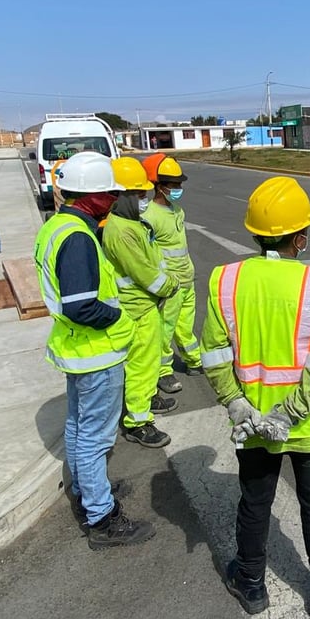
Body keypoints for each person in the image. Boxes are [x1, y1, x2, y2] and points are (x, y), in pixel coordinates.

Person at [200, 176, 310, 618]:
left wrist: (237, 404)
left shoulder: (226, 281)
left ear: (255, 234)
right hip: (309, 425)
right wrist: (291, 413)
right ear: (300, 238)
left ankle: (251, 584)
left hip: (253, 422)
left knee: (255, 501)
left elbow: (214, 356)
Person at [33, 152, 155, 549]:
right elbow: (81, 306)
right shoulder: (79, 238)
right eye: (110, 194)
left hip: (78, 349)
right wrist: (119, 319)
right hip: (96, 352)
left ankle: (88, 490)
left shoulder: (58, 226)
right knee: (95, 437)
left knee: (78, 426)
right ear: (91, 196)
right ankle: (102, 517)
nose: (114, 200)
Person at [102, 157, 181, 448]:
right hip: (136, 307)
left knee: (149, 362)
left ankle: (147, 399)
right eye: (138, 194)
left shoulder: (133, 224)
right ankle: (138, 422)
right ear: (120, 196)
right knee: (141, 365)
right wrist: (170, 286)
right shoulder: (121, 231)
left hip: (147, 305)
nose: (143, 199)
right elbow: (145, 273)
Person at [141, 154, 202, 394]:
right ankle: (163, 371)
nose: (178, 189)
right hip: (170, 285)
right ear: (160, 186)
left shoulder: (177, 211)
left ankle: (193, 360)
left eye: (179, 184)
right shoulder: (148, 216)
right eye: (174, 185)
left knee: (185, 326)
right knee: (165, 329)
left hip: (187, 279)